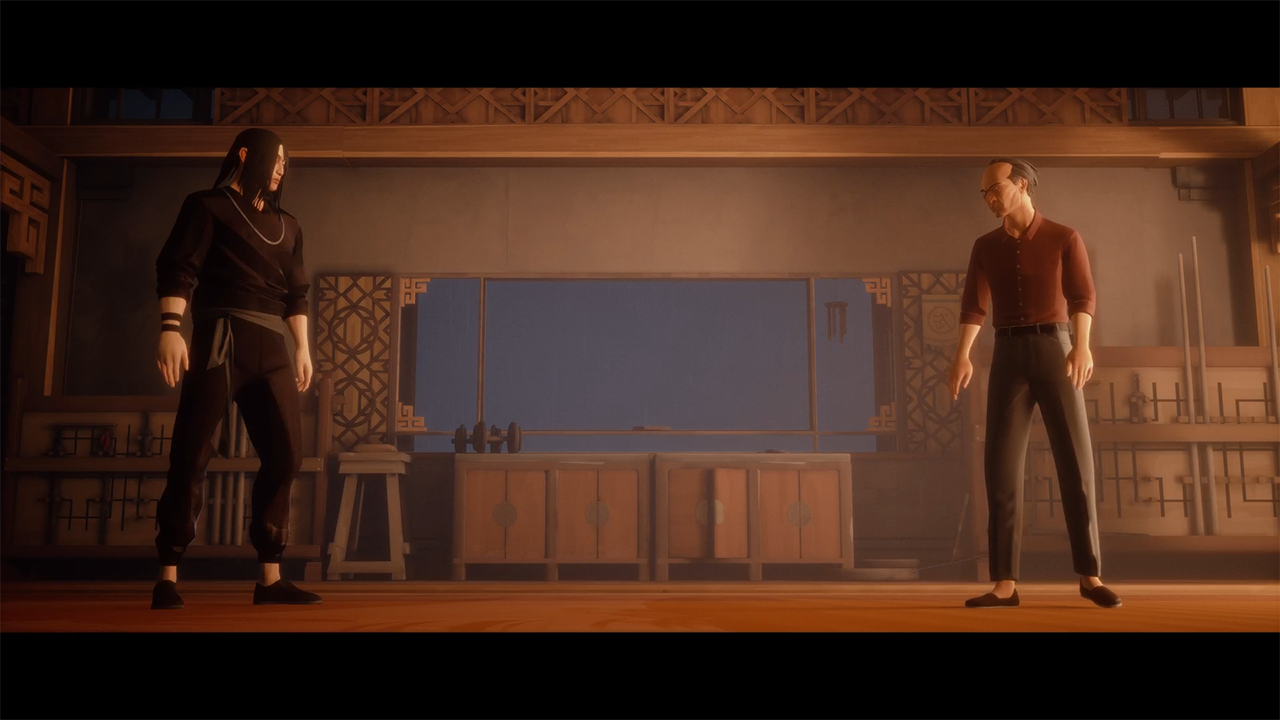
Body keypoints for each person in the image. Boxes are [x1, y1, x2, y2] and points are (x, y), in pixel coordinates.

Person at [151, 128, 321, 609]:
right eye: (276, 157)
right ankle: (168, 575)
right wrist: (170, 327)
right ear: (246, 155)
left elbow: (296, 293)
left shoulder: (289, 226)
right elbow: (179, 267)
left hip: (272, 347)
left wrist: (303, 348)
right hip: (220, 339)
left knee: (287, 455)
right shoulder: (207, 206)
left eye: (287, 160)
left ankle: (270, 578)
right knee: (191, 451)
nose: (282, 167)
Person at [948, 158, 1121, 609]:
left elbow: (1082, 296)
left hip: (1055, 350)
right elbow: (974, 306)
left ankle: (1090, 576)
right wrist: (962, 355)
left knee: (1076, 464)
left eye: (996, 188)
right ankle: (1004, 583)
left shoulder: (1064, 237)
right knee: (1000, 467)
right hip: (1007, 355)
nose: (990, 198)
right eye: (984, 193)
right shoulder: (985, 246)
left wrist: (1081, 347)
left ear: (1022, 184)